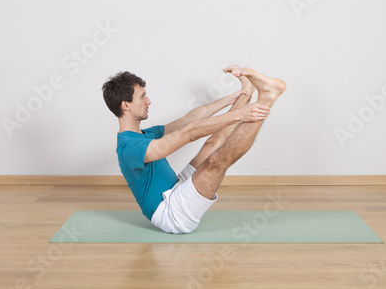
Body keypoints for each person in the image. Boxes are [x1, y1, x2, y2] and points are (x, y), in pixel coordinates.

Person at [102, 65, 286, 234]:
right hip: (170, 214)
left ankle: (249, 92)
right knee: (216, 161)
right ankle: (267, 98)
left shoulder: (144, 134)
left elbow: (187, 121)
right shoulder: (128, 148)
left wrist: (235, 98)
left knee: (213, 142)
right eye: (142, 96)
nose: (148, 101)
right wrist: (239, 115)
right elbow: (188, 134)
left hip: (174, 188)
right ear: (126, 105)